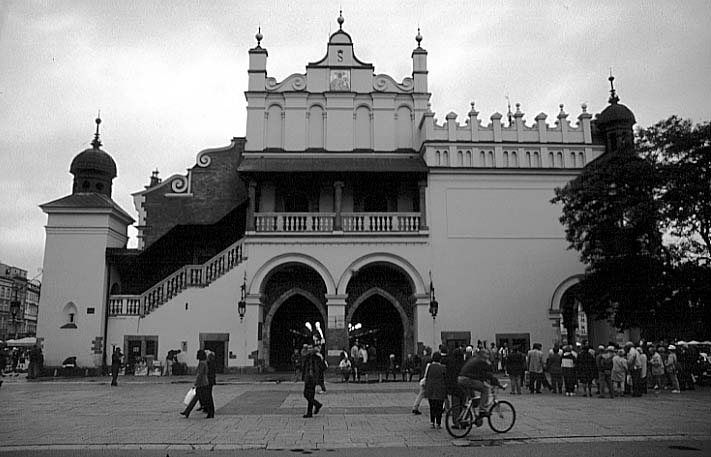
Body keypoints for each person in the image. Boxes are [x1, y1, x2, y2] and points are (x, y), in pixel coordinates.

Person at [458, 348, 502, 417]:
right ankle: (482, 410)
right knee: (485, 389)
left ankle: (467, 416)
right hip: (467, 379)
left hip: (461, 378)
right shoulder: (480, 362)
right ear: (483, 355)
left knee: (471, 399)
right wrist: (498, 384)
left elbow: (481, 375)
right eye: (487, 354)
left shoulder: (474, 359)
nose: (488, 356)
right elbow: (487, 374)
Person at [181, 349, 213, 418]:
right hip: (205, 382)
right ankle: (187, 411)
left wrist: (196, 383)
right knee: (196, 397)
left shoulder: (202, 363)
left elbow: (200, 374)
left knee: (204, 398)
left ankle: (209, 412)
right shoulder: (205, 362)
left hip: (202, 383)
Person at [424, 351, 447, 429]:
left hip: (431, 388)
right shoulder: (443, 367)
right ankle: (438, 423)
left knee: (432, 406)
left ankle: (432, 422)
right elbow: (445, 378)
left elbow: (426, 376)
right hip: (440, 389)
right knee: (439, 407)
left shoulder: (430, 366)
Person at [301, 344, 323, 418]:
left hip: (312, 378)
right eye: (308, 348)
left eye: (311, 348)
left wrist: (320, 380)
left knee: (307, 394)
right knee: (309, 395)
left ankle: (317, 405)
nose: (309, 350)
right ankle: (310, 412)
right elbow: (303, 354)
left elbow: (322, 368)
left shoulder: (317, 358)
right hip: (308, 378)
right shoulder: (307, 357)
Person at [412, 346, 432, 415]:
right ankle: (416, 407)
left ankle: (415, 407)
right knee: (429, 393)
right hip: (427, 378)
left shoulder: (423, 358)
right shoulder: (429, 359)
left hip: (422, 377)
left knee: (421, 393)